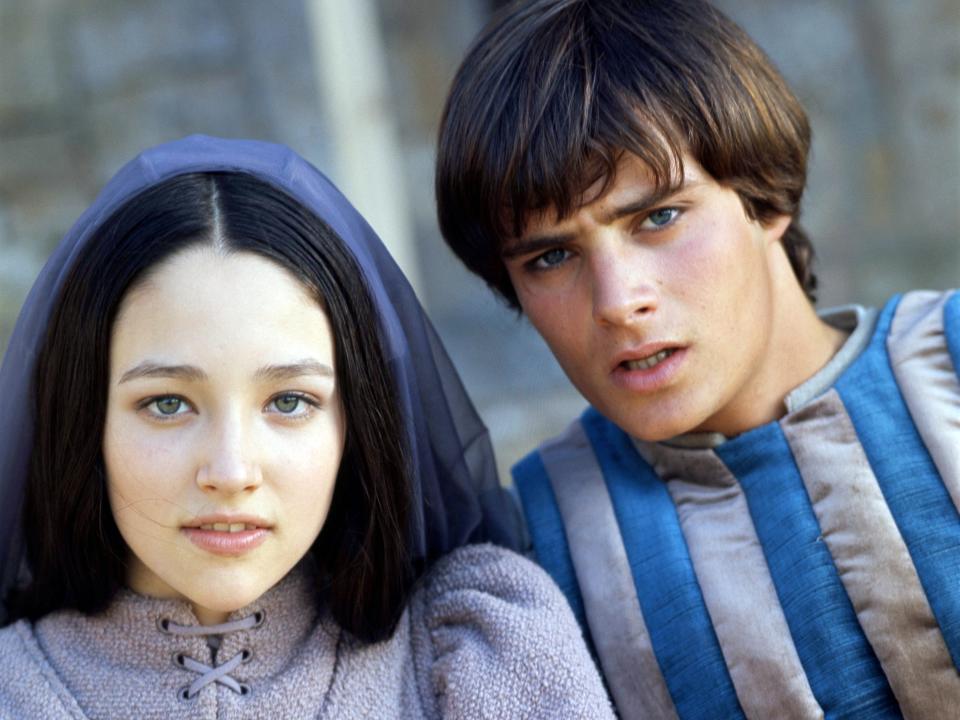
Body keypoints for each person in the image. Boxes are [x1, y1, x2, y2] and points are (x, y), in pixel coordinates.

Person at [435, 1, 960, 718]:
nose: (618, 301)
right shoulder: (534, 547)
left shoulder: (946, 370)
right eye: (552, 256)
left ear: (763, 197)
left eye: (658, 217)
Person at [0, 135, 614, 719]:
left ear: (356, 421)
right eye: (167, 404)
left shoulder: (474, 647)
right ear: (85, 421)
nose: (232, 472)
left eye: (289, 402)